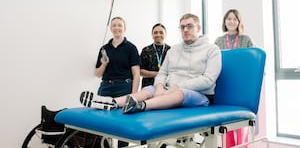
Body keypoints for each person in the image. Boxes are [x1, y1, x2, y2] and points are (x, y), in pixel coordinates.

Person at [80, 13, 221, 115]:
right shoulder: (174, 50)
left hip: (198, 94)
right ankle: (112, 103)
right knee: (148, 90)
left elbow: (208, 80)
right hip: (168, 90)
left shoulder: (212, 49)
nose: (185, 30)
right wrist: (159, 87)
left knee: (179, 93)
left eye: (189, 26)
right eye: (182, 27)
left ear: (199, 28)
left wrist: (178, 86)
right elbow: (163, 73)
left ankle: (141, 106)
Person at [81, 16, 140, 147]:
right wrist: (103, 64)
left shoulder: (131, 48)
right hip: (106, 87)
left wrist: (134, 95)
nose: (117, 28)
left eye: (120, 25)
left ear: (125, 28)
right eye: (114, 25)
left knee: (121, 124)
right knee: (100, 122)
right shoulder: (104, 48)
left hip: (124, 87)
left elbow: (136, 74)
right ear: (110, 28)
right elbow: (97, 74)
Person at [214, 9, 254, 148]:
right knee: (228, 122)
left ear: (239, 22)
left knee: (241, 122)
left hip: (242, 85)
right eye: (229, 19)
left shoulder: (246, 39)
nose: (231, 21)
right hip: (225, 84)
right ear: (225, 21)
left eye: (234, 19)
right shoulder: (218, 41)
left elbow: (251, 62)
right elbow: (215, 63)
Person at [140, 23, 171, 88]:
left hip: (166, 86)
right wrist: (158, 74)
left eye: (161, 32)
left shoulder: (171, 50)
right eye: (155, 32)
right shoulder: (146, 50)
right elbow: (140, 71)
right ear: (152, 35)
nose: (158, 35)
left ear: (165, 34)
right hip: (148, 86)